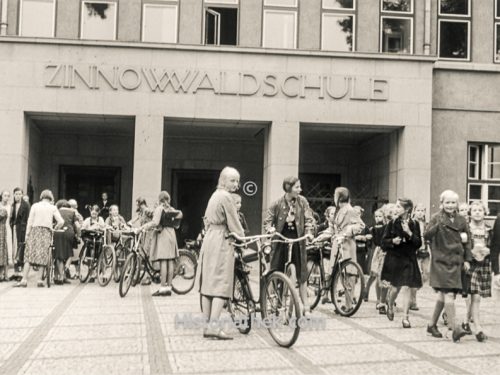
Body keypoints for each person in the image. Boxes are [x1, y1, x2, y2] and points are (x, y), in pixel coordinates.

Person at [196, 166, 245, 340]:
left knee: (208, 284)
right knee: (221, 283)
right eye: (232, 180)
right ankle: (214, 327)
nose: (236, 184)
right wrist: (243, 239)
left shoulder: (215, 195)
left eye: (237, 181)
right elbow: (234, 222)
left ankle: (206, 325)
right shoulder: (226, 197)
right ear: (223, 180)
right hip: (222, 240)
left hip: (210, 238)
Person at [424, 190, 471, 342]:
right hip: (441, 261)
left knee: (443, 295)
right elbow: (427, 236)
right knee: (449, 294)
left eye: (453, 202)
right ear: (442, 204)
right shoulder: (436, 218)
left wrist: (467, 260)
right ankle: (454, 328)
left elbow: (467, 241)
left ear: (457, 204)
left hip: (455, 261)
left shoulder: (462, 220)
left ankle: (431, 325)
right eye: (447, 202)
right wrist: (436, 225)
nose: (450, 205)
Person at [263, 176, 314, 315]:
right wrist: (271, 230)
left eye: (299, 186)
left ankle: (305, 305)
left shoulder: (302, 202)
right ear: (288, 188)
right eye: (297, 187)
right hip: (280, 240)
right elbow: (267, 221)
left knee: (302, 274)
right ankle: (274, 301)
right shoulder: (277, 204)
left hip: (298, 240)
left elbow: (309, 218)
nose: (300, 189)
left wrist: (309, 232)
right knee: (276, 271)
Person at [380, 198, 422, 328]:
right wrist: (392, 241)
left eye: (398, 207)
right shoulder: (392, 223)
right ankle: (390, 304)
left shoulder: (414, 224)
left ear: (407, 209)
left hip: (409, 258)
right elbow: (383, 242)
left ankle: (405, 317)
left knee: (408, 287)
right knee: (395, 288)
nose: (395, 209)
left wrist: (409, 233)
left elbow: (418, 243)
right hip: (395, 259)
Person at [14, 190, 64, 288]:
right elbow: (61, 221)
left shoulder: (35, 206)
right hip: (46, 232)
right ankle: (39, 280)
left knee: (28, 256)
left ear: (41, 197)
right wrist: (55, 228)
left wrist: (27, 234)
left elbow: (30, 221)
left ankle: (24, 280)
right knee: (43, 255)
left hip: (35, 231)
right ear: (50, 198)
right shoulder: (52, 207)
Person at [139, 191, 182, 297]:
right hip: (172, 235)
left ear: (159, 199)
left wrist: (143, 227)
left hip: (163, 235)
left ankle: (163, 288)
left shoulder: (159, 208)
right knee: (170, 261)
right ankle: (169, 287)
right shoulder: (171, 209)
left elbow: (155, 222)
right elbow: (179, 217)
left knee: (163, 261)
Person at [461, 201, 492, 342]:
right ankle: (478, 328)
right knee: (475, 296)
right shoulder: (466, 229)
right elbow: (460, 246)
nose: (478, 212)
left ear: (485, 212)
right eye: (475, 210)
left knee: (475, 296)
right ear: (470, 213)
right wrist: (468, 255)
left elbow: (494, 246)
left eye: (480, 210)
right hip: (471, 264)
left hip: (484, 264)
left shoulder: (488, 230)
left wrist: (488, 250)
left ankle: (465, 322)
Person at [53, 200, 80, 285]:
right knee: (70, 253)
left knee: (59, 255)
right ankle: (67, 267)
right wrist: (78, 236)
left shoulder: (56, 211)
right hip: (69, 232)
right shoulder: (72, 212)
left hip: (58, 232)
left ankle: (61, 277)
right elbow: (78, 226)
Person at [409, 203, 430, 311]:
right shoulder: (411, 223)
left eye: (423, 211)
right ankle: (413, 301)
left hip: (425, 251)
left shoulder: (426, 224)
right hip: (415, 252)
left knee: (426, 274)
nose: (421, 213)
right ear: (414, 211)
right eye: (419, 210)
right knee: (416, 276)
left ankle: (412, 291)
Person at [364, 208, 385, 303]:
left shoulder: (386, 227)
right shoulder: (373, 229)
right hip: (376, 251)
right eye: (376, 216)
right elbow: (371, 242)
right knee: (374, 275)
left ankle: (383, 297)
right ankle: (367, 291)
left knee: (381, 276)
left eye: (380, 216)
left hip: (384, 251)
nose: (378, 218)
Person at [9, 187, 30, 281]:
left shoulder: (26, 205)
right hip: (14, 228)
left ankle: (20, 273)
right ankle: (15, 271)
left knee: (21, 249)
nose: (18, 195)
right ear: (14, 195)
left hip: (22, 229)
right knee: (14, 249)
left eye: (19, 194)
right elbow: (12, 218)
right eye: (16, 194)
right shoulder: (13, 205)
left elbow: (28, 218)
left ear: (22, 195)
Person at [353, 206, 371, 275]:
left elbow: (369, 235)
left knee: (361, 267)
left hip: (362, 249)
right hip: (353, 248)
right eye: (355, 213)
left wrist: (366, 237)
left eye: (358, 213)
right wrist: (357, 237)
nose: (357, 215)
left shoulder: (364, 226)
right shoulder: (350, 224)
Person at [0, 190, 12, 266]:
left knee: (7, 245)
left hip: (7, 227)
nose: (6, 197)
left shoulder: (10, 207)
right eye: (5, 195)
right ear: (1, 196)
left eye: (8, 196)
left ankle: (7, 262)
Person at [0, 206, 8, 281]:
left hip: (1, 233)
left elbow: (3, 214)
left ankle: (2, 274)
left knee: (2, 252)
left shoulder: (3, 209)